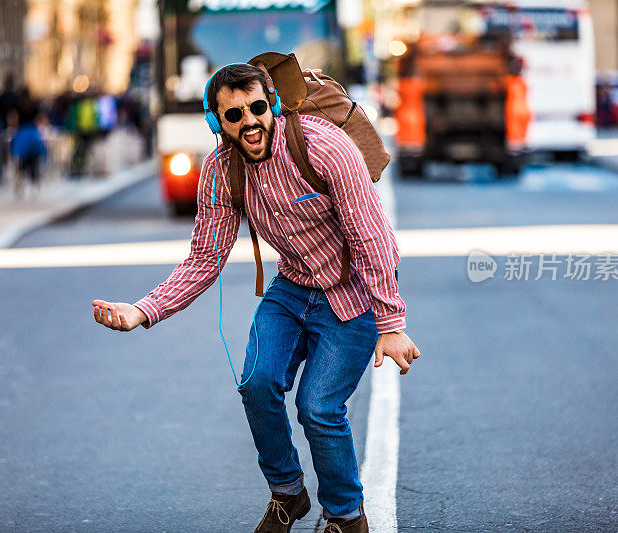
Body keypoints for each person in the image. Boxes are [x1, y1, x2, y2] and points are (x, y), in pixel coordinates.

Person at [91, 64, 420, 533]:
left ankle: (346, 517)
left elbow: (371, 239)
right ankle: (288, 494)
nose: (248, 121)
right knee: (256, 384)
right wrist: (144, 310)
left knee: (318, 407)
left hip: (352, 296)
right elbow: (206, 257)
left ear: (273, 105)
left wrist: (390, 322)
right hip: (291, 289)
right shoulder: (221, 170)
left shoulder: (324, 147)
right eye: (233, 115)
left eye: (257, 108)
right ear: (216, 122)